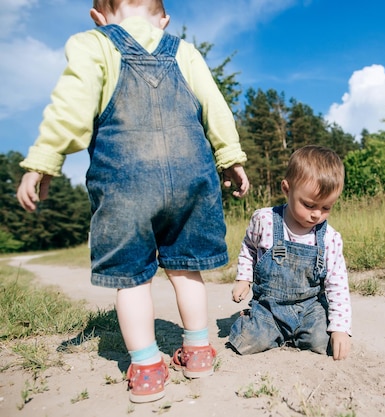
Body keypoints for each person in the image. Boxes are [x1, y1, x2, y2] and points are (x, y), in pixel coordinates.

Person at [16, 0, 249, 404]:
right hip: (191, 178)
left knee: (131, 279)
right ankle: (197, 352)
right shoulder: (185, 51)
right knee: (187, 268)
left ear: (98, 17)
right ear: (164, 20)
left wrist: (45, 161)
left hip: (125, 181)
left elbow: (70, 107)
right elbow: (216, 107)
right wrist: (230, 157)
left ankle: (145, 367)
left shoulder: (92, 44)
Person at [229, 145, 351, 361]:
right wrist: (244, 278)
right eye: (309, 204)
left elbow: (337, 284)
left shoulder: (330, 238)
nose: (316, 215)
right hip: (270, 308)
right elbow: (248, 247)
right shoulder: (265, 220)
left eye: (326, 208)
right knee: (246, 340)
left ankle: (291, 335)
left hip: (309, 309)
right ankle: (257, 322)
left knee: (323, 342)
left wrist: (340, 328)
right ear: (287, 189)